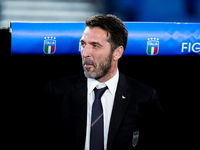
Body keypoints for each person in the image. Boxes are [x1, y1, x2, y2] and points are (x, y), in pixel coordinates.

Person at [45, 14, 163, 150]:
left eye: (95, 46)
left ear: (117, 53)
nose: (85, 53)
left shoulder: (143, 96)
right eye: (83, 44)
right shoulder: (57, 91)